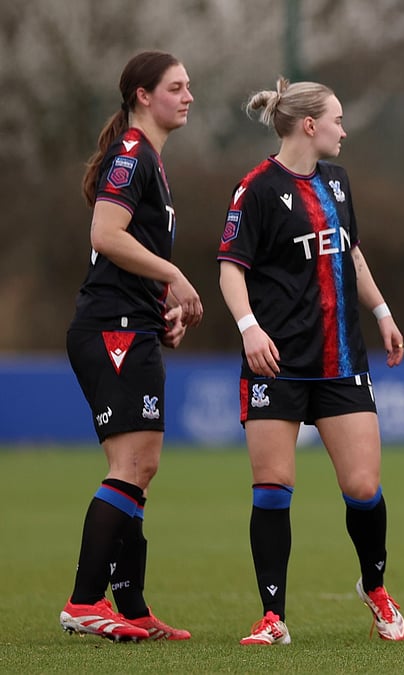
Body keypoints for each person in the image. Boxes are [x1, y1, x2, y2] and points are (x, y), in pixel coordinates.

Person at [217, 77, 404, 645]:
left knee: (363, 487)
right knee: (272, 487)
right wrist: (249, 329)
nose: (344, 130)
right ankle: (273, 616)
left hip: (342, 360)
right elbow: (231, 267)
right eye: (338, 120)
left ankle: (375, 588)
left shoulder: (338, 182)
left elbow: (350, 251)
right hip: (277, 363)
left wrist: (381, 311)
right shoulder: (255, 188)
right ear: (308, 125)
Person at [60, 50, 201, 643]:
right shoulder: (131, 154)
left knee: (140, 468)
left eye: (189, 85)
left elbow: (125, 250)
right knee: (132, 466)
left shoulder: (153, 163)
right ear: (143, 95)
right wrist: (175, 275)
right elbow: (105, 234)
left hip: (130, 323)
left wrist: (161, 308)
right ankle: (85, 602)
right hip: (110, 327)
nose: (188, 95)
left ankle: (132, 607)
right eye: (176, 86)